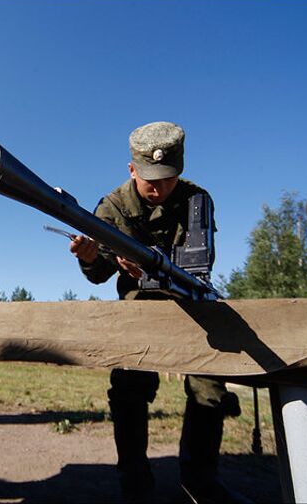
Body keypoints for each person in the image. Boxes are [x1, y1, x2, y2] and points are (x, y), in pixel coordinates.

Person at [69, 121, 243, 504]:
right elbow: (98, 275)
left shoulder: (197, 200)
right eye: (150, 178)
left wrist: (150, 268)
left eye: (167, 178)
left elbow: (199, 268)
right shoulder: (111, 207)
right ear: (132, 169)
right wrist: (89, 258)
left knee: (209, 389)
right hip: (138, 313)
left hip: (192, 306)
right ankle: (135, 482)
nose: (158, 187)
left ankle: (200, 479)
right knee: (129, 389)